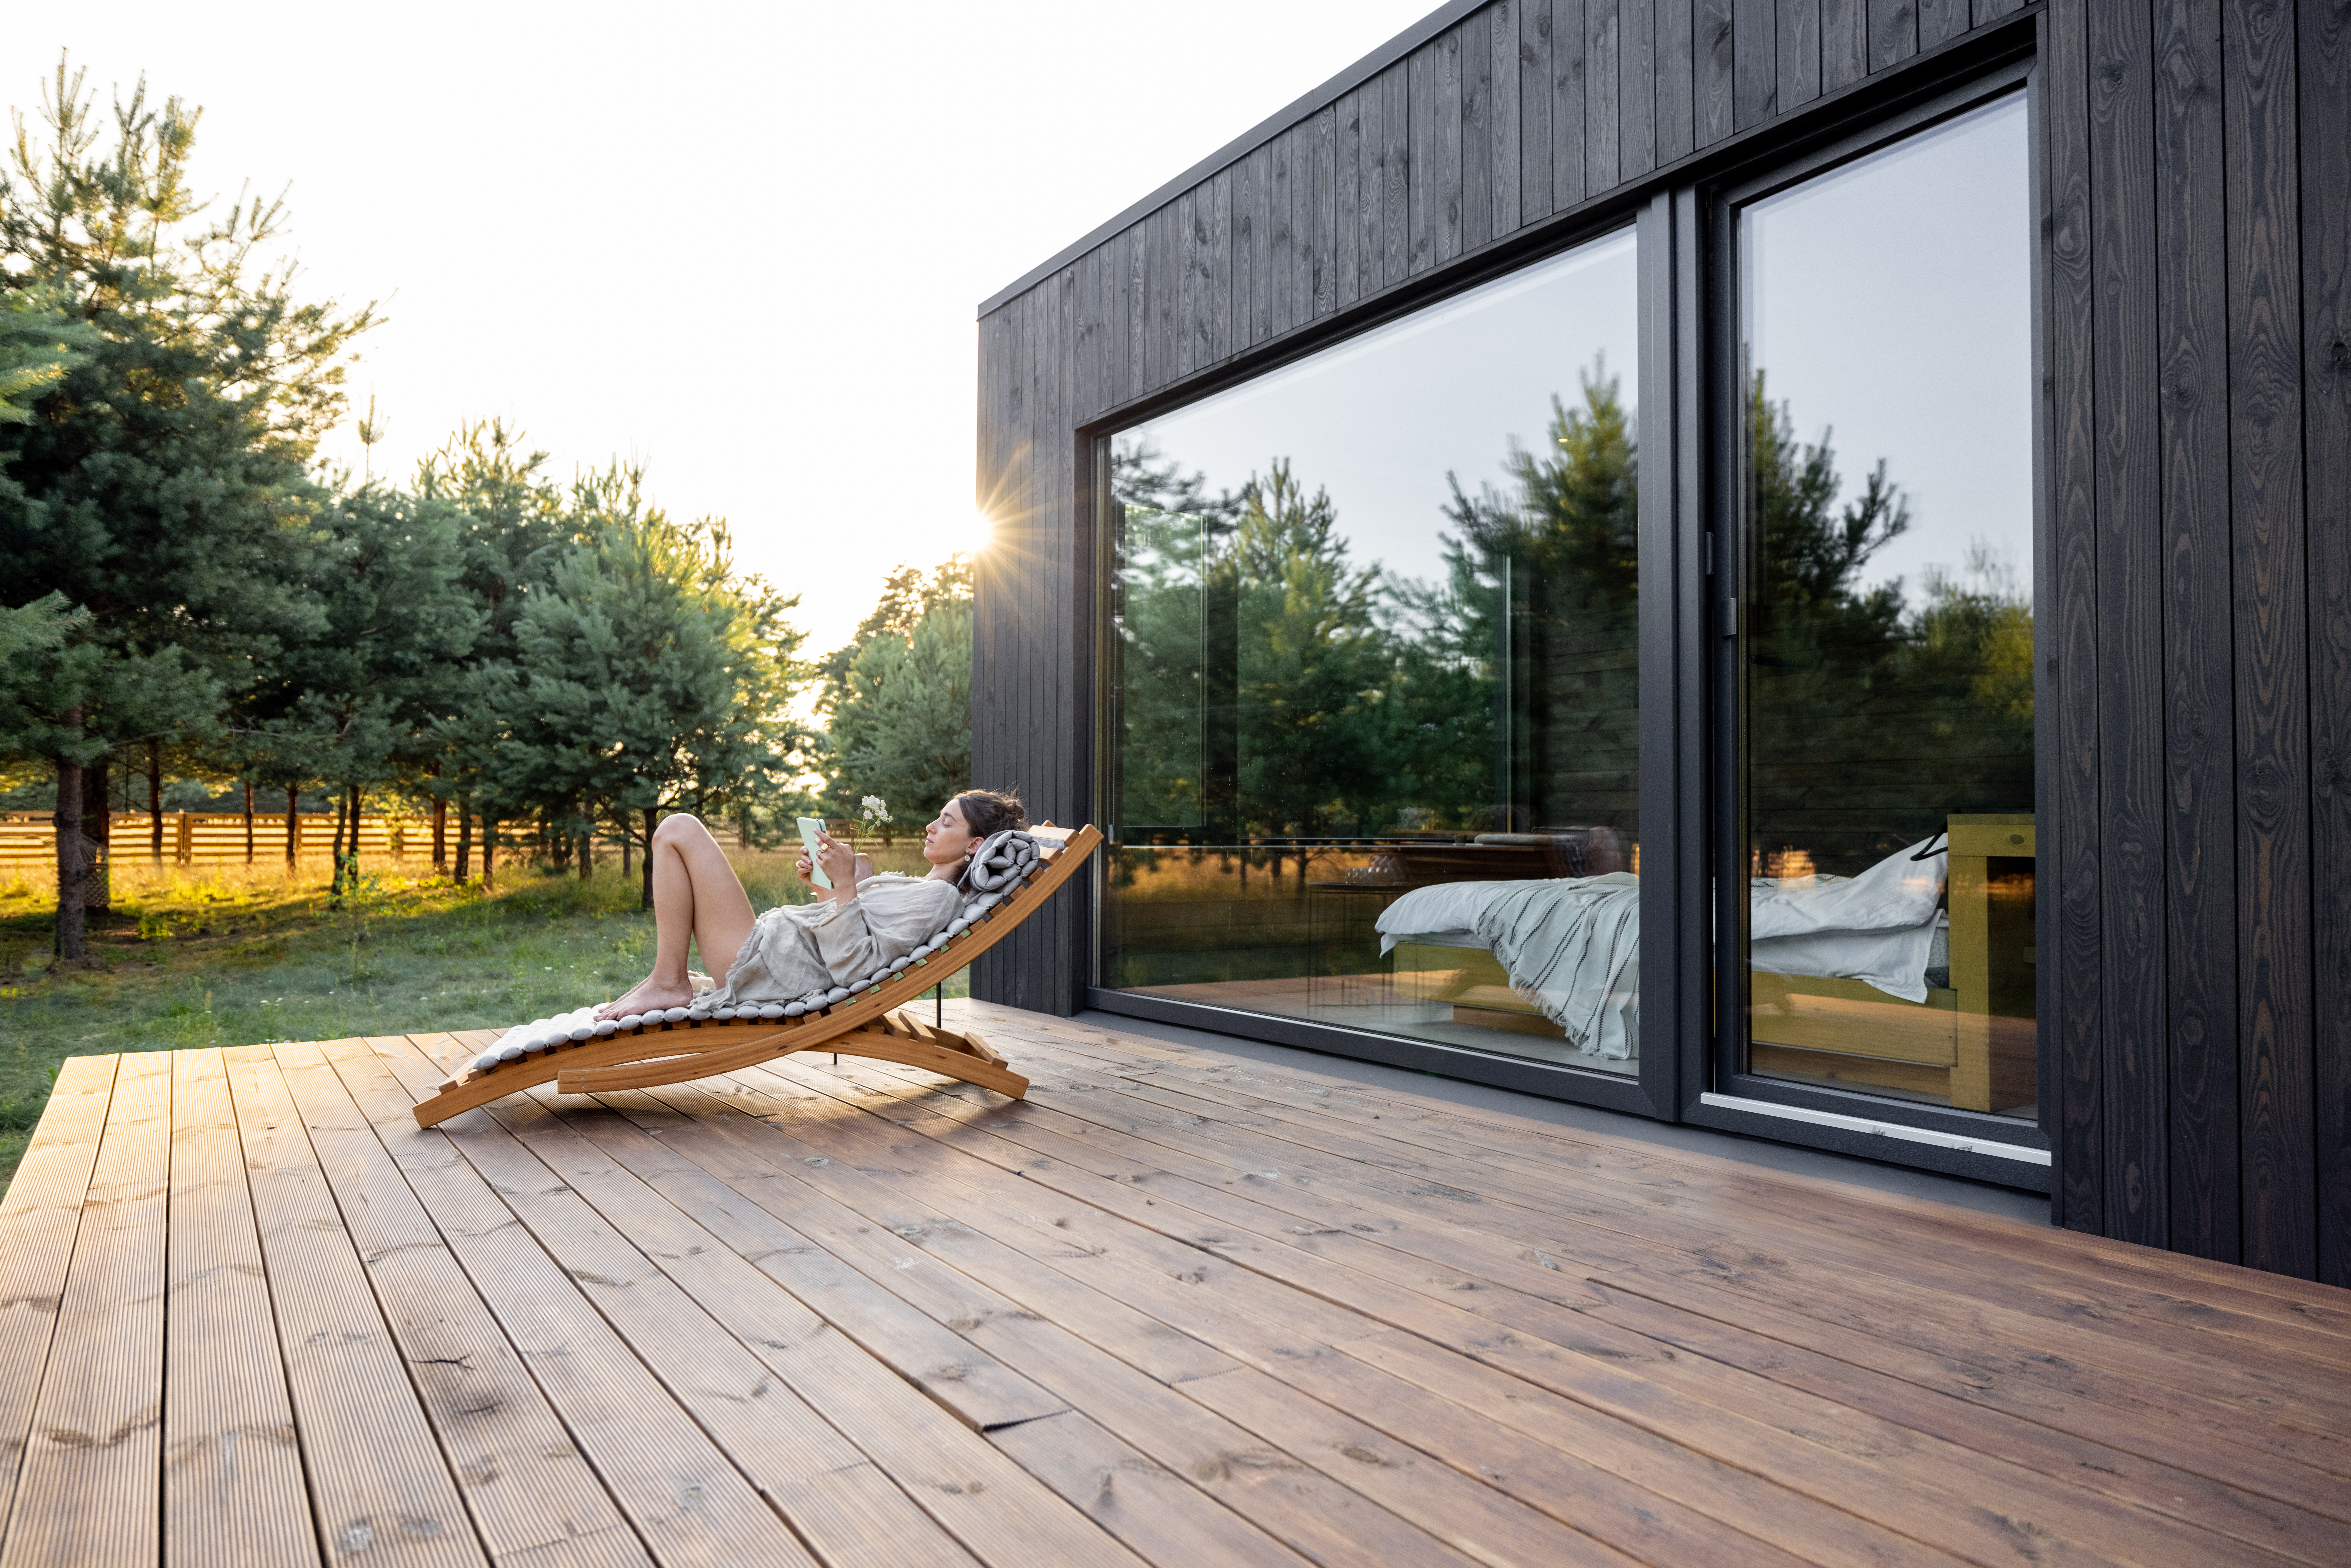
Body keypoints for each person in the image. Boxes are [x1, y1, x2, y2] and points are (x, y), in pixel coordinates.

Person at [594, 789, 1027, 1020]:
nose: (931, 826)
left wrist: (844, 885)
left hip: (768, 968)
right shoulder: (917, 886)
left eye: (946, 822)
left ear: (974, 845)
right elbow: (842, 927)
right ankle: (665, 979)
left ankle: (668, 981)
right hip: (771, 950)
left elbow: (854, 967)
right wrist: (827, 886)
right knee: (678, 831)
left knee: (678, 829)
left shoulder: (938, 897)